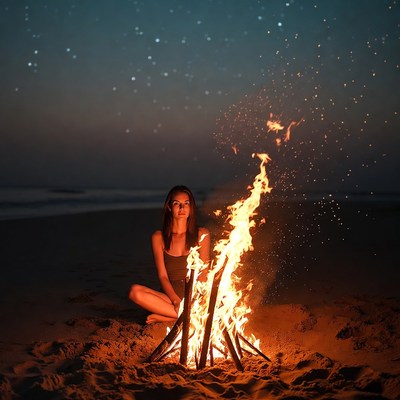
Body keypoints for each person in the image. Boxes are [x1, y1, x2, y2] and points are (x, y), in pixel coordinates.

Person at [129, 185, 210, 324]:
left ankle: (169, 316)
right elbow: (162, 275)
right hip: (170, 295)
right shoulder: (158, 237)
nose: (182, 208)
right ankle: (180, 316)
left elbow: (204, 274)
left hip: (194, 295)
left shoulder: (201, 234)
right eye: (176, 204)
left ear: (191, 208)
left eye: (186, 204)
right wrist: (175, 300)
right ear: (169, 207)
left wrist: (195, 298)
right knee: (134, 291)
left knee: (205, 305)